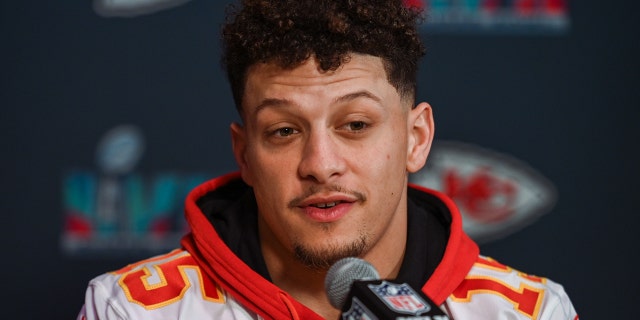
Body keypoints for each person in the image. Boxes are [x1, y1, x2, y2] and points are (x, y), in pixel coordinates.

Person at [77, 0, 579, 319]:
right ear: (245, 154)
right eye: (284, 130)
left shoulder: (529, 313)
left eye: (355, 125)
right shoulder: (131, 309)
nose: (320, 163)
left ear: (416, 138)